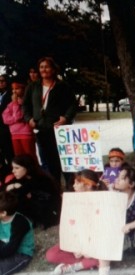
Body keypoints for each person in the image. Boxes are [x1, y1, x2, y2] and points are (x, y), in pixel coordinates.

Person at [23, 57, 77, 185]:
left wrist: (66, 118)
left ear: (53, 69)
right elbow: (25, 105)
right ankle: (55, 190)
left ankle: (71, 188)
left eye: (46, 67)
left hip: (60, 130)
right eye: (41, 67)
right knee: (49, 162)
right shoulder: (32, 86)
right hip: (41, 129)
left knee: (65, 161)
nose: (43, 70)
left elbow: (73, 105)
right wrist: (29, 118)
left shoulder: (62, 86)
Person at [45, 169, 107, 275]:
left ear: (88, 185)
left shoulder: (102, 202)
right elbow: (70, 227)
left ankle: (75, 266)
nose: (73, 186)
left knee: (102, 258)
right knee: (51, 255)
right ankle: (84, 264)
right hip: (77, 242)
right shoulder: (73, 202)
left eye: (77, 183)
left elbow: (101, 230)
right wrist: (74, 247)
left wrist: (85, 249)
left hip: (95, 244)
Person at [4, 154, 61, 229]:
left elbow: (17, 194)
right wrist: (14, 185)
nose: (13, 171)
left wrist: (14, 187)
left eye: (17, 168)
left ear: (27, 168)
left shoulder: (38, 179)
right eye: (13, 168)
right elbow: (4, 188)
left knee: (15, 200)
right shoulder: (23, 177)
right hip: (39, 207)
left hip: (51, 213)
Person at [0, 190, 34, 275]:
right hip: (4, 249)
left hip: (21, 254)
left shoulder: (20, 223)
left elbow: (11, 249)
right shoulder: (1, 218)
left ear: (3, 213)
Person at [2, 82, 37, 161]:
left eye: (17, 89)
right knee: (19, 159)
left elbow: (18, 116)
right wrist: (14, 118)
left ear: (23, 89)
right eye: (13, 89)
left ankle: (35, 173)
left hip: (26, 133)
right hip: (14, 134)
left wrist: (15, 104)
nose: (14, 91)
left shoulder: (25, 102)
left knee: (30, 158)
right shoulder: (10, 104)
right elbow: (5, 119)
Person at [0, 74, 14, 184]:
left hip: (7, 128)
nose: (1, 83)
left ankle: (12, 174)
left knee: (9, 152)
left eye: (3, 81)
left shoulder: (10, 95)